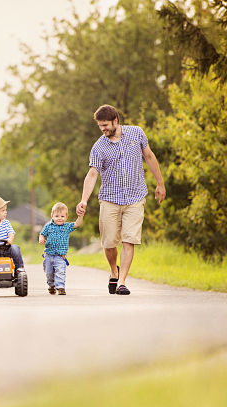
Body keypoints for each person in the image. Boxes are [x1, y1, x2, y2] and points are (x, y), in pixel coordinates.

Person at [76, 104, 166, 295]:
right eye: (100, 126)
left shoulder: (136, 133)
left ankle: (122, 281)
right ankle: (113, 270)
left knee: (128, 240)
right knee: (109, 243)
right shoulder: (99, 147)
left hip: (135, 197)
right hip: (110, 199)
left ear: (116, 121)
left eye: (106, 125)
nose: (103, 129)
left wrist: (160, 183)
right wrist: (84, 200)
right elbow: (92, 174)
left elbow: (149, 156)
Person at [39, 202, 83, 295]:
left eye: (62, 216)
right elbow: (42, 233)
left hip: (60, 256)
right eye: (57, 216)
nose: (59, 218)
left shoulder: (67, 226)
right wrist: (42, 238)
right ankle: (51, 285)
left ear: (66, 217)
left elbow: (77, 224)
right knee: (49, 273)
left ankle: (60, 287)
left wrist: (80, 216)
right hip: (49, 255)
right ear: (52, 216)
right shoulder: (48, 226)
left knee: (60, 272)